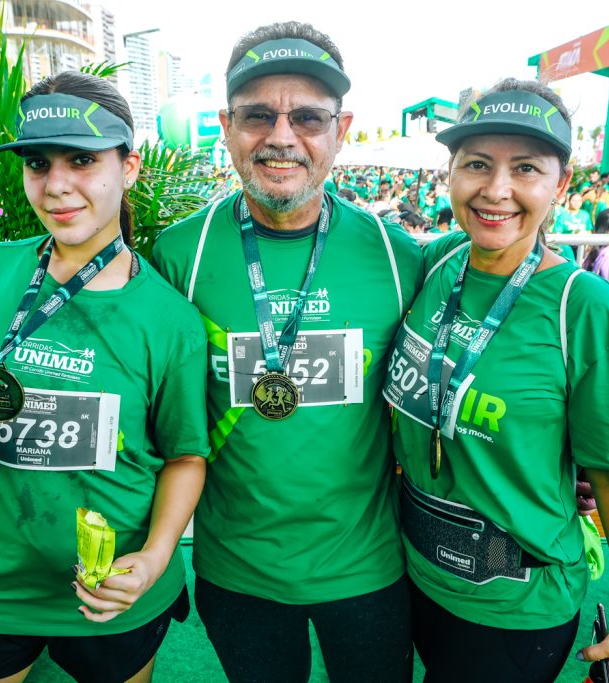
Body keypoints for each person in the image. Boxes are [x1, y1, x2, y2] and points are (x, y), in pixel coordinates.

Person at [0, 71, 209, 683]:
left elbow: (185, 456)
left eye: (84, 159)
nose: (58, 186)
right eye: (38, 163)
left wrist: (153, 557)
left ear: (130, 168)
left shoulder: (170, 319)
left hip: (111, 589)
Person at [151, 22, 423, 683]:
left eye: (307, 116)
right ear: (225, 124)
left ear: (341, 127)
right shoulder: (179, 255)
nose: (280, 136)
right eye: (257, 116)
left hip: (368, 568)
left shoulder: (397, 257)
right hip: (238, 571)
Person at [386, 78, 609, 683]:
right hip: (413, 570)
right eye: (476, 164)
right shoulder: (440, 264)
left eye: (526, 168)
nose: (496, 190)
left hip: (514, 604)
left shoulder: (584, 309)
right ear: (450, 174)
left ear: (560, 186)